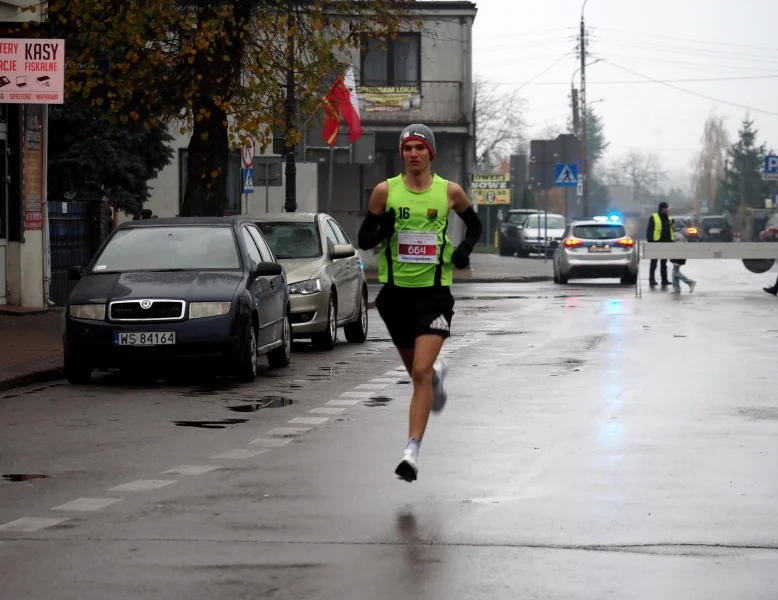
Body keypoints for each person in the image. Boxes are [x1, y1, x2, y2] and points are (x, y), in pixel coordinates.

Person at [357, 123, 483, 483]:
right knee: (419, 374)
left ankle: (411, 451)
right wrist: (385, 229)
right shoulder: (385, 192)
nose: (414, 153)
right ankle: (437, 379)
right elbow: (365, 238)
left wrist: (463, 251)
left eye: (419, 147)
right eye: (408, 148)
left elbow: (474, 227)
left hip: (433, 295)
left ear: (431, 153)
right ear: (402, 154)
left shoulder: (449, 192)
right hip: (396, 297)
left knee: (420, 372)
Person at [646, 201, 674, 287]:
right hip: (656, 243)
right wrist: (651, 242)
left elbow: (671, 231)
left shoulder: (669, 219)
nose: (666, 210)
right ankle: (651, 279)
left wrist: (671, 241)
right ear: (661, 209)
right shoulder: (654, 217)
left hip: (666, 244)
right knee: (654, 262)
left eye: (667, 208)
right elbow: (649, 231)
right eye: (665, 208)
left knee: (664, 263)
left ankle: (664, 279)